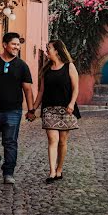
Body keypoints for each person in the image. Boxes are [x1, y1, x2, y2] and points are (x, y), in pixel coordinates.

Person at [0, 32, 34, 185]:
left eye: (18, 44)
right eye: (14, 44)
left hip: (13, 111)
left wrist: (31, 110)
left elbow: (28, 89)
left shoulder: (22, 66)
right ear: (4, 45)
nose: (17, 47)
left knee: (10, 142)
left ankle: (8, 173)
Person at [29, 40, 80, 183]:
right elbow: (41, 91)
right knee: (53, 139)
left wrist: (71, 104)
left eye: (49, 48)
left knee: (62, 142)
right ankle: (52, 171)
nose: (46, 50)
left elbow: (76, 88)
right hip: (49, 109)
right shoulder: (46, 70)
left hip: (66, 109)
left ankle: (59, 169)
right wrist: (33, 108)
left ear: (57, 50)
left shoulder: (69, 67)